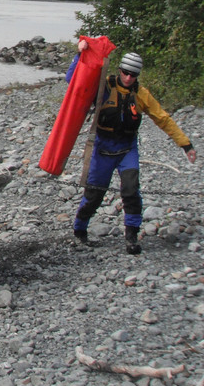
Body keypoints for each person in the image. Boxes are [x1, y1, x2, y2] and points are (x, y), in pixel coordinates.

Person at [70, 40, 196, 254]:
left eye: (133, 75)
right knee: (94, 194)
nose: (129, 78)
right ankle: (79, 230)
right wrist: (78, 55)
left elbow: (163, 119)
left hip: (127, 149)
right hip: (102, 148)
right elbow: (74, 81)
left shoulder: (142, 94)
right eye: (126, 73)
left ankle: (131, 236)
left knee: (130, 190)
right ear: (120, 70)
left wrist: (186, 145)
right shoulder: (104, 86)